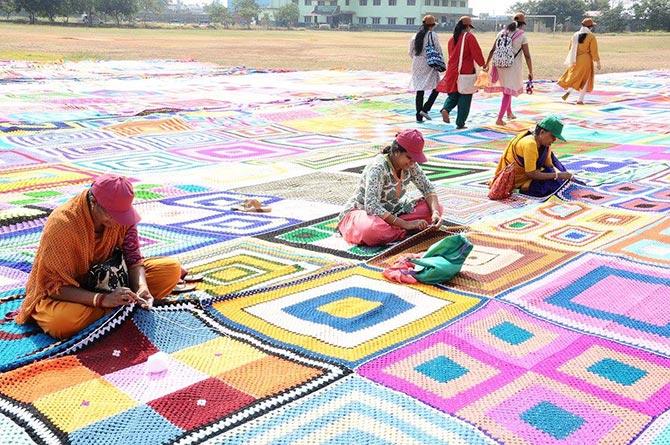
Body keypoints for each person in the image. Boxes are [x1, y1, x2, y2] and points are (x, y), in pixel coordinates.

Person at [14, 174, 183, 339]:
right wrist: (102, 299)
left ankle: (118, 306)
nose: (117, 221)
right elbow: (53, 286)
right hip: (71, 291)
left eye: (121, 215)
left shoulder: (122, 217)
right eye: (112, 215)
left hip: (111, 282)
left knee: (171, 270)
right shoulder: (62, 224)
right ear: (94, 202)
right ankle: (120, 308)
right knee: (62, 322)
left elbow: (133, 259)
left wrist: (141, 288)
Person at [338, 129, 443, 247]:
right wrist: (405, 224)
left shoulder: (411, 165)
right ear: (397, 151)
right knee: (372, 230)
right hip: (363, 213)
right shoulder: (378, 168)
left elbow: (427, 188)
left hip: (393, 212)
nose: (412, 163)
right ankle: (400, 229)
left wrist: (435, 213)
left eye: (414, 159)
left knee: (436, 207)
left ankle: (394, 230)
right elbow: (371, 206)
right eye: (409, 157)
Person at [491, 116, 574, 197]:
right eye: (552, 136)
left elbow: (549, 165)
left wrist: (560, 173)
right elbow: (531, 174)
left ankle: (566, 179)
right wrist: (558, 175)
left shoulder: (543, 143)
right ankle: (520, 189)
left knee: (557, 172)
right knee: (551, 185)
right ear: (542, 132)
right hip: (519, 179)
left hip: (532, 173)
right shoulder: (530, 144)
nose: (554, 140)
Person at [483, 13, 533, 126]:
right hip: (511, 66)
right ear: (522, 24)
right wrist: (531, 71)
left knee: (507, 89)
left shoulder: (501, 32)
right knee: (507, 91)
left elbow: (492, 50)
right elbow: (527, 55)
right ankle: (499, 118)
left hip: (499, 64)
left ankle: (509, 112)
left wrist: (487, 63)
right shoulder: (522, 35)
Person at [436, 16, 485, 129]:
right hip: (465, 72)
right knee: (465, 97)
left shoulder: (452, 39)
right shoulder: (469, 37)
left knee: (453, 95)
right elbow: (476, 53)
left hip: (452, 71)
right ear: (467, 26)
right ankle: (460, 123)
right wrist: (483, 64)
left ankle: (445, 109)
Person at [558, 18, 601, 105]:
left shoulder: (575, 35)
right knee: (585, 79)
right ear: (590, 27)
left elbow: (570, 48)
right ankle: (580, 100)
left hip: (575, 59)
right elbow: (594, 51)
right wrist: (598, 62)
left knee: (575, 77)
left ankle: (568, 92)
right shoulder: (591, 36)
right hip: (586, 60)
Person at [409, 15, 442, 122]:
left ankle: (419, 116)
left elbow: (411, 52)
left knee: (420, 90)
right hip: (429, 63)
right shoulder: (432, 35)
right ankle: (426, 108)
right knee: (437, 87)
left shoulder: (415, 35)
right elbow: (438, 50)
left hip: (416, 63)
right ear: (432, 25)